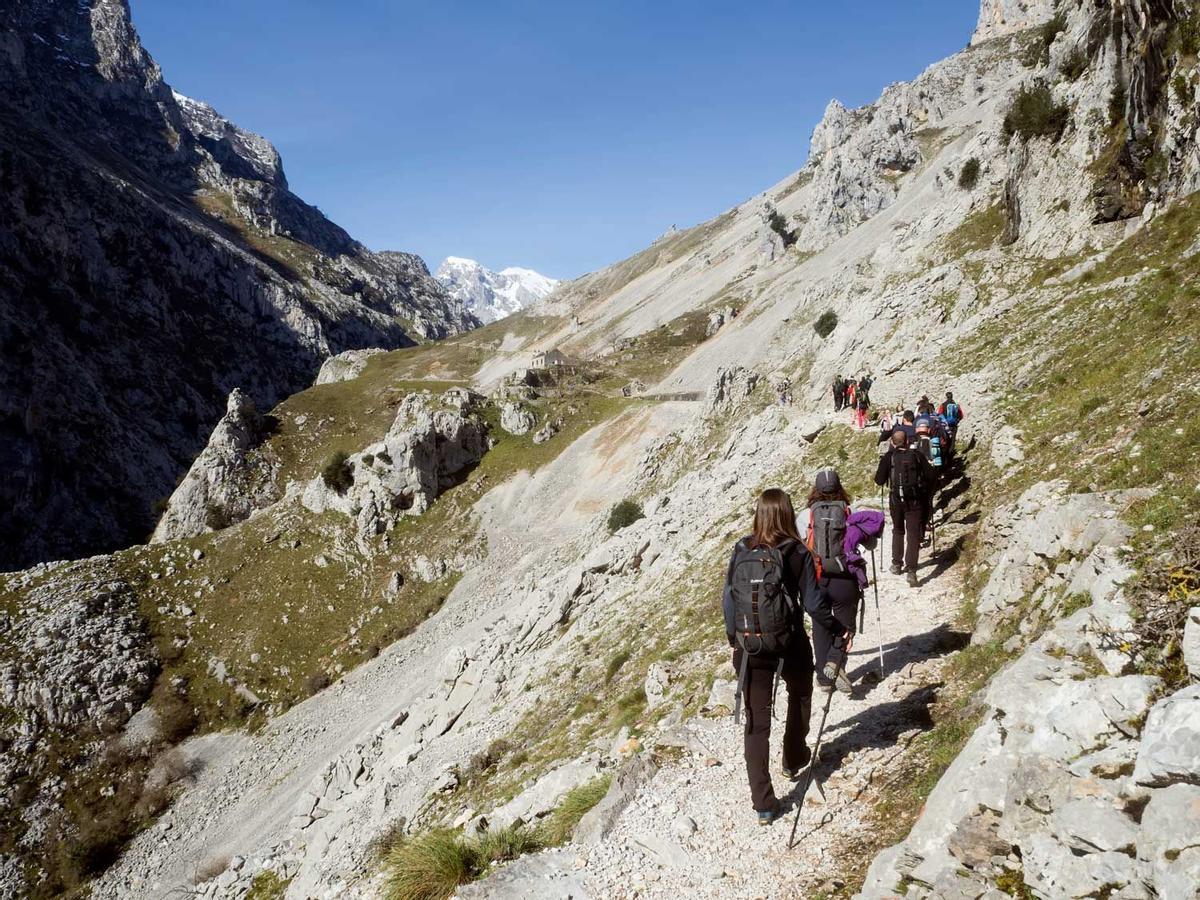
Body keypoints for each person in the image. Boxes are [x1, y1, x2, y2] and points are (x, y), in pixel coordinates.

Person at [722, 489, 850, 825]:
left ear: (758, 515)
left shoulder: (741, 548)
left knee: (756, 724)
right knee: (801, 694)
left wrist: (735, 639)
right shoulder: (797, 551)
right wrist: (838, 628)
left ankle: (763, 803)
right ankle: (793, 758)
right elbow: (813, 604)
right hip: (789, 642)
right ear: (789, 514)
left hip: (750, 648)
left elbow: (728, 599)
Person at [799, 470, 884, 694]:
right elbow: (870, 543)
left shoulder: (806, 516)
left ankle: (823, 679)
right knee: (845, 625)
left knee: (820, 625)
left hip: (816, 578)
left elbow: (799, 545)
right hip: (845, 579)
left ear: (815, 489)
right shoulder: (849, 511)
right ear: (839, 487)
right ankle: (836, 666)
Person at [875, 430, 934, 587]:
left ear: (893, 443)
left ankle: (896, 563)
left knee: (898, 529)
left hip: (896, 500)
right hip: (914, 501)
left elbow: (879, 480)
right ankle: (912, 571)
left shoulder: (889, 457)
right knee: (913, 534)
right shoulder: (917, 455)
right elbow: (931, 476)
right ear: (907, 441)